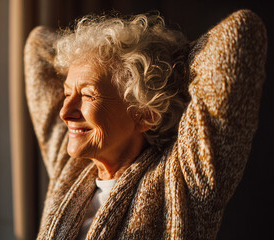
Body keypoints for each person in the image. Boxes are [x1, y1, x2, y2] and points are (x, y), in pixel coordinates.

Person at [24, 9, 266, 240]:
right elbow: (38, 46)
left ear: (144, 114)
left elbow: (241, 30)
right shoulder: (70, 168)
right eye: (67, 94)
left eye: (88, 95)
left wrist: (171, 69)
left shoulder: (183, 178)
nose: (65, 113)